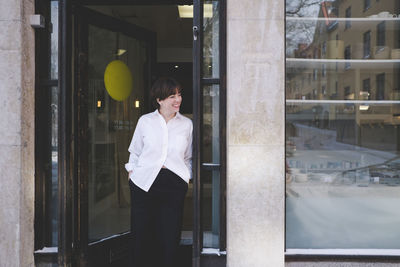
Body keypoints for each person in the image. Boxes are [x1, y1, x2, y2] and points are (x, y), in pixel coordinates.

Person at [125, 77, 193, 267]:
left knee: (170, 235)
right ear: (159, 100)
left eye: (179, 95)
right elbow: (135, 152)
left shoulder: (187, 124)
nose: (177, 99)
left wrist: (186, 176)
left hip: (174, 183)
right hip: (144, 182)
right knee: (141, 234)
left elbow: (189, 157)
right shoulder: (145, 121)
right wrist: (132, 173)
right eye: (172, 96)